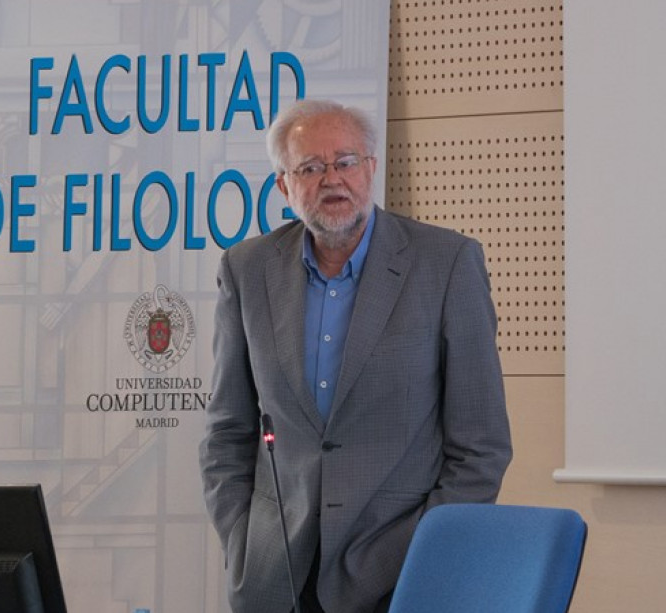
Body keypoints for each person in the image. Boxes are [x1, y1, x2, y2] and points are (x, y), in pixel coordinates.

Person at [199, 99, 512, 613]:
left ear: (371, 168)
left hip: (401, 571)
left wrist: (426, 552)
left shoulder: (447, 264)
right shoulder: (246, 269)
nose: (332, 179)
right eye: (311, 167)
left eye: (346, 161)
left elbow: (482, 449)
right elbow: (226, 433)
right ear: (283, 185)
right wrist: (243, 539)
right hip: (276, 575)